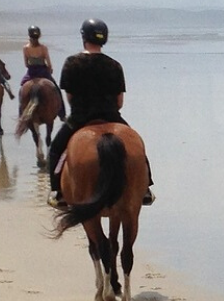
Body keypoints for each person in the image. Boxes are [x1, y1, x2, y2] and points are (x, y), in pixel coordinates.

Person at [45, 18, 153, 207]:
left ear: (84, 37)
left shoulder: (72, 63)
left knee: (55, 149)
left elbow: (69, 97)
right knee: (137, 147)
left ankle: (58, 192)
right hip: (112, 116)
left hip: (79, 118)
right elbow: (119, 102)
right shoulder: (114, 65)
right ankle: (145, 188)